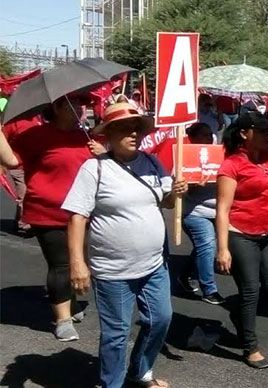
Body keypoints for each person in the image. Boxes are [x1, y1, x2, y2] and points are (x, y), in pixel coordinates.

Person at [63, 102, 188, 388]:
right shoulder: (94, 168)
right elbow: (77, 216)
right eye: (123, 128)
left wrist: (176, 193)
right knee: (116, 334)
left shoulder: (153, 162)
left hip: (154, 263)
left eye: (136, 128)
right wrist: (77, 262)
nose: (133, 133)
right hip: (113, 270)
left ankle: (141, 370)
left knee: (160, 319)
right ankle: (112, 383)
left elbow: (166, 201)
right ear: (108, 134)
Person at [9, 94, 103, 341]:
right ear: (57, 107)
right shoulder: (36, 136)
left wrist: (103, 153)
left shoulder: (86, 137)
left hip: (82, 212)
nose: (81, 109)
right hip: (47, 210)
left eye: (82, 105)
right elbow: (10, 160)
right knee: (62, 264)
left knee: (80, 260)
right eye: (74, 104)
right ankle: (62, 319)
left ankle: (69, 304)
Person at [215, 110, 268, 369]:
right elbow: (223, 209)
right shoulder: (232, 165)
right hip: (241, 234)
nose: (266, 135)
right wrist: (222, 248)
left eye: (267, 130)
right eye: (260, 131)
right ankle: (250, 347)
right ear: (244, 133)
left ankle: (238, 311)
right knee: (250, 290)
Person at [181, 122, 225, 304]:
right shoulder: (184, 157)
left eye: (210, 134)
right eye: (204, 135)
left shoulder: (219, 154)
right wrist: (193, 184)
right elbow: (179, 192)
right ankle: (209, 290)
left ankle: (185, 275)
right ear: (193, 138)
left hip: (219, 212)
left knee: (203, 248)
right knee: (208, 246)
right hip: (195, 212)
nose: (209, 138)